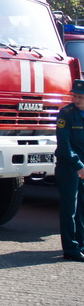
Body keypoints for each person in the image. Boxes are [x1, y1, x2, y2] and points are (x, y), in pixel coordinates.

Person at [53, 79, 84, 262]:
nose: (76, 100)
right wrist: (78, 166)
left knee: (82, 208)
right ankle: (70, 248)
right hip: (69, 167)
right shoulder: (66, 114)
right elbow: (64, 146)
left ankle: (81, 244)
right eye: (75, 96)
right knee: (69, 209)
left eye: (80, 97)